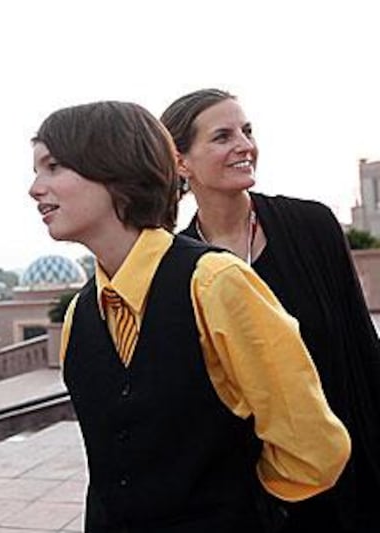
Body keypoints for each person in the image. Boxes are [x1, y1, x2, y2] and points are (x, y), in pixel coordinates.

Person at [28, 100, 351, 532]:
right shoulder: (80, 317)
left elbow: (313, 450)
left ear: (112, 168)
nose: (35, 188)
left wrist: (237, 508)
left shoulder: (215, 284)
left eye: (52, 167)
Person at [161, 88, 380, 533]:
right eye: (222, 136)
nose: (244, 145)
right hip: (248, 499)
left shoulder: (313, 226)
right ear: (181, 162)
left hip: (346, 477)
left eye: (247, 130)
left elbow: (362, 349)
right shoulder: (176, 266)